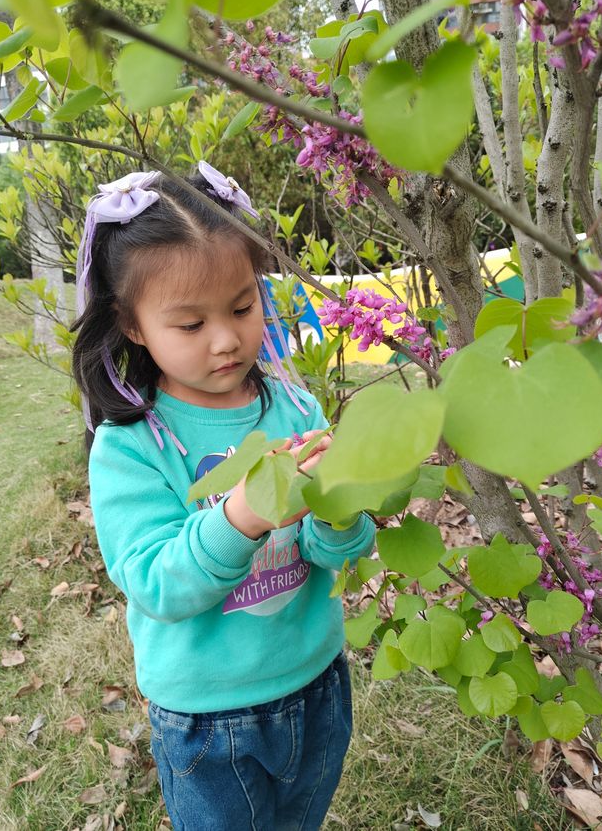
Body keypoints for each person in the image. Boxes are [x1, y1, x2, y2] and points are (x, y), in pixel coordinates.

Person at [72, 162, 376, 831]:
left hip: (317, 682)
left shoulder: (292, 403)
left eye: (242, 305)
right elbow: (154, 580)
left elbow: (338, 550)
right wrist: (239, 518)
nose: (227, 338)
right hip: (209, 717)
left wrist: (342, 506)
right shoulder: (131, 447)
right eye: (189, 323)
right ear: (131, 324)